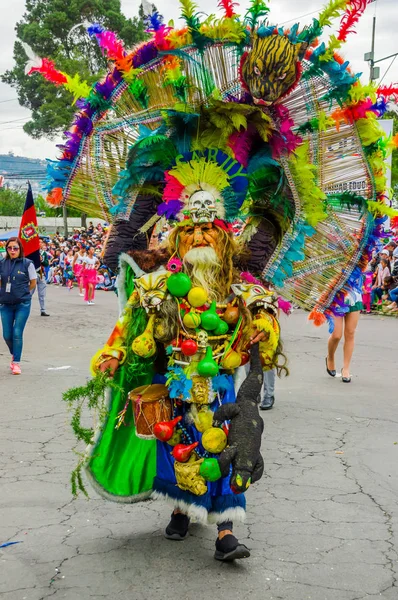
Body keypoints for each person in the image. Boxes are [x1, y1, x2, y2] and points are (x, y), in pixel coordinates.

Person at [0, 237, 37, 374]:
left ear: (20, 248)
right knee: (7, 335)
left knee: (17, 333)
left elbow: (33, 282)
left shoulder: (27, 263)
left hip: (23, 303)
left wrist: (26, 293)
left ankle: (16, 363)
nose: (12, 250)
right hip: (5, 303)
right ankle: (14, 353)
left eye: (15, 248)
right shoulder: (2, 263)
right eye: (9, 248)